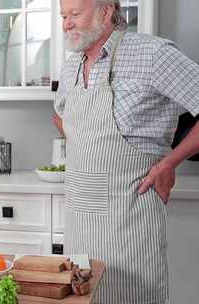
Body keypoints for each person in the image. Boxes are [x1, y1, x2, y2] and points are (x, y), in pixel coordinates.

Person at [54, 0, 199, 303]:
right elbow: (61, 115)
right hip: (79, 222)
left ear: (105, 12)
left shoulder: (154, 55)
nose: (66, 23)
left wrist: (170, 163)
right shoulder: (72, 64)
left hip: (129, 221)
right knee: (83, 298)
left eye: (75, 14)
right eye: (63, 16)